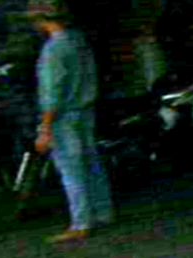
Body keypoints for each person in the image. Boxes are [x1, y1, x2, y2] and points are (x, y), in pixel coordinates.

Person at [28, 0, 114, 243]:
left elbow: (52, 92)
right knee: (91, 162)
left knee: (70, 169)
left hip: (64, 116)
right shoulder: (79, 41)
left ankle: (80, 222)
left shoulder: (53, 50)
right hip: (85, 109)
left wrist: (45, 128)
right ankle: (102, 211)